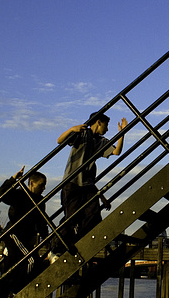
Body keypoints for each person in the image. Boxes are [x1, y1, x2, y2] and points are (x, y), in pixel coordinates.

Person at [47, 112, 127, 263]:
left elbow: (116, 151)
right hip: (72, 183)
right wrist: (72, 129)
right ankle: (55, 249)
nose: (107, 129)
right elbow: (59, 140)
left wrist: (122, 133)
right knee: (71, 218)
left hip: (88, 185)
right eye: (106, 125)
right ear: (98, 122)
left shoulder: (101, 141)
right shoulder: (82, 134)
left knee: (94, 215)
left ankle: (77, 243)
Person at [0, 166, 49, 298]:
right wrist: (13, 179)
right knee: (31, 262)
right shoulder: (21, 195)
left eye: (44, 186)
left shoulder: (40, 201)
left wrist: (47, 240)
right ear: (31, 184)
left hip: (26, 238)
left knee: (10, 270)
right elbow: (1, 194)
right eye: (41, 185)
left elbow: (41, 222)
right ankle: (16, 291)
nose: (43, 188)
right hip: (14, 234)